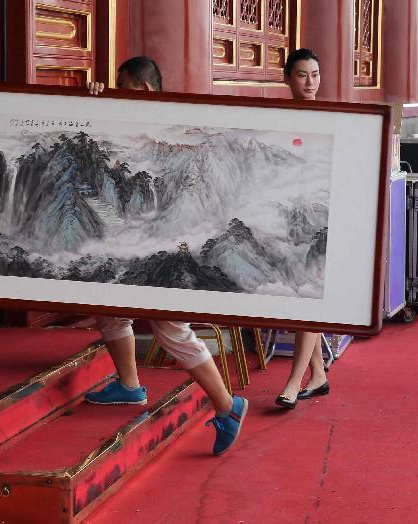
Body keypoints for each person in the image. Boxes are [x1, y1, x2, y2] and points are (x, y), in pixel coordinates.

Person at [82, 56, 248, 456]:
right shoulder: (132, 122)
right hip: (133, 240)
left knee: (171, 328)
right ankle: (129, 385)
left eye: (120, 86)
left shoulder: (177, 128)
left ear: (140, 89)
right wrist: (90, 102)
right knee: (111, 308)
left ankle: (228, 406)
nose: (116, 93)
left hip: (165, 246)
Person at [274, 48, 330, 409]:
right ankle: (320, 375)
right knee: (299, 293)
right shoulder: (275, 118)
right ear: (287, 79)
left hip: (323, 219)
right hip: (291, 218)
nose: (310, 83)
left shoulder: (336, 118)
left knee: (308, 296)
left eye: (315, 74)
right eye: (301, 75)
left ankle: (294, 382)